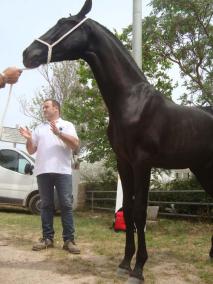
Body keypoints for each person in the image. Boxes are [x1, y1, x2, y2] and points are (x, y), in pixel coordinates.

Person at [19, 99, 80, 254]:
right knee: (46, 205)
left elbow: (75, 145)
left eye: (46, 107)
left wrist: (59, 133)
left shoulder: (67, 125)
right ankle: (47, 239)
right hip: (43, 171)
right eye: (43, 107)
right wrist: (28, 139)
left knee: (66, 204)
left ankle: (68, 240)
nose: (44, 109)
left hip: (63, 171)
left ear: (56, 108)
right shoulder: (39, 128)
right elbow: (31, 150)